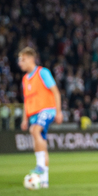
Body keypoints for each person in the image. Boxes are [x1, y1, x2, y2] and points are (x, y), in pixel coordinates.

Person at [19, 47, 63, 188]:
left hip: (47, 110)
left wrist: (59, 112)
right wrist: (25, 119)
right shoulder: (25, 79)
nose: (20, 63)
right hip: (33, 114)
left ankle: (40, 166)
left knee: (35, 130)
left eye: (23, 59)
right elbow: (26, 100)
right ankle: (44, 181)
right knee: (41, 143)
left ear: (31, 59)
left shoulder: (42, 72)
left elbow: (55, 92)